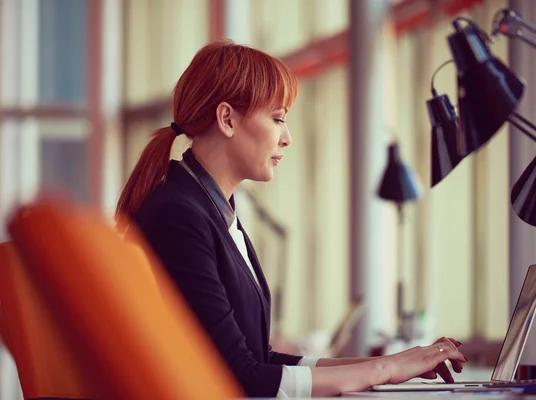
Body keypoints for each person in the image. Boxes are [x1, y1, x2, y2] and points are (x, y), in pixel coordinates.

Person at [115, 40, 468, 398]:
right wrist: (385, 369)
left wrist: (391, 364)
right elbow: (241, 378)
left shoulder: (209, 209)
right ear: (227, 119)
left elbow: (256, 357)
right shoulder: (180, 215)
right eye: (278, 118)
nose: (288, 137)